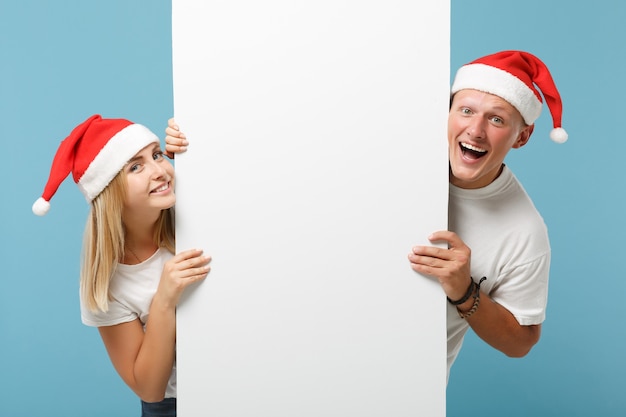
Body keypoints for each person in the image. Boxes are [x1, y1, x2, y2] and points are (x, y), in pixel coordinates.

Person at [33, 115, 209, 417]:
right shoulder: (106, 285)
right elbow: (149, 389)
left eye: (156, 154)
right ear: (110, 191)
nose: (159, 171)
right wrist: (164, 301)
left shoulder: (195, 215)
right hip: (174, 406)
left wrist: (198, 145)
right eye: (136, 166)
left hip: (240, 380)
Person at [408, 50, 567, 381]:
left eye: (496, 119)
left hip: (411, 391)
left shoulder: (524, 230)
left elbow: (520, 342)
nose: (475, 131)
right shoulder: (392, 162)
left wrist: (465, 291)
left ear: (522, 136)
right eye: (466, 111)